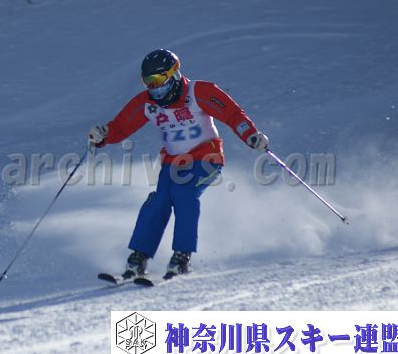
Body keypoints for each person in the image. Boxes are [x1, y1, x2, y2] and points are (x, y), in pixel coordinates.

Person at [88, 49, 268, 279]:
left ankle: (182, 256)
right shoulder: (147, 103)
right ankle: (139, 257)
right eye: (149, 82)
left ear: (174, 74)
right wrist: (103, 135)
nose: (155, 88)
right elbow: (121, 127)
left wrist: (250, 134)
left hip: (206, 157)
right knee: (159, 200)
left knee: (183, 192)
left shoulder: (199, 92)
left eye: (159, 80)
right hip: (173, 162)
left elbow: (232, 114)